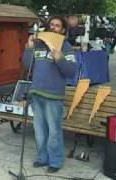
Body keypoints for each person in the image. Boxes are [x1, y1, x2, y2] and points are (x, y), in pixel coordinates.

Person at [22, 16, 76, 173]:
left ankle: (55, 161)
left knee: (54, 131)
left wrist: (60, 59)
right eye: (51, 24)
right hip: (37, 93)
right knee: (39, 131)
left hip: (54, 96)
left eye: (57, 26)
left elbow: (71, 72)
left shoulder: (65, 46)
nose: (53, 28)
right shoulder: (39, 44)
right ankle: (42, 158)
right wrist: (29, 47)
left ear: (63, 30)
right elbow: (27, 65)